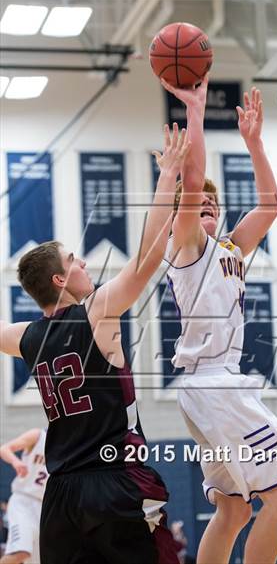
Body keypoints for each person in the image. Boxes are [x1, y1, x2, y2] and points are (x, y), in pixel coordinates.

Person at [0, 124, 190, 564]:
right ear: (59, 280)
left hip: (61, 494)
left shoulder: (23, 338)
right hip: (115, 480)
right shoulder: (96, 312)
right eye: (73, 260)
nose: (84, 262)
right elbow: (146, 257)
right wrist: (167, 176)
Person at [160, 75, 277, 564]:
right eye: (195, 203)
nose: (204, 206)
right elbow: (193, 176)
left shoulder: (229, 249)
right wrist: (198, 111)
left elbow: (269, 207)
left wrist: (255, 144)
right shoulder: (186, 248)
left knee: (233, 512)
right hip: (214, 388)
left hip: (211, 388)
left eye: (212, 204)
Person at [0, 428, 47, 564]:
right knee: (20, 552)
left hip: (45, 508)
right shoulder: (38, 436)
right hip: (23, 501)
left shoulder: (69, 447)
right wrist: (16, 462)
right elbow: (4, 449)